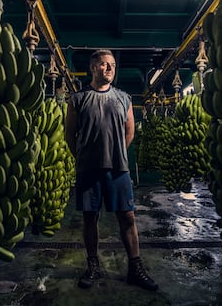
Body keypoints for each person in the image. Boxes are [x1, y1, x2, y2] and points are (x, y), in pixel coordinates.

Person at [65, 49, 158, 291]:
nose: (109, 69)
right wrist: (85, 158)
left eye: (112, 65)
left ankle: (135, 268)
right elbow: (70, 135)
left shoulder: (124, 98)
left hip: (118, 169)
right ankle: (93, 266)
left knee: (127, 217)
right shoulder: (78, 99)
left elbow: (130, 131)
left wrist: (117, 154)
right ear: (92, 68)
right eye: (104, 65)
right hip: (89, 170)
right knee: (90, 218)